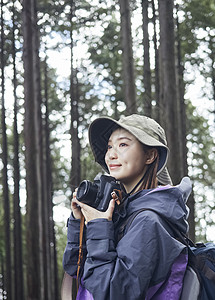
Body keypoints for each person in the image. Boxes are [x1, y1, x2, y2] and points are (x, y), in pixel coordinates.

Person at [63, 114, 192, 300]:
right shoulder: (120, 213)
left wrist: (99, 227)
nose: (111, 154)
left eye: (123, 144)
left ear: (150, 155)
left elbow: (112, 294)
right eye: (109, 146)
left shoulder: (149, 220)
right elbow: (75, 269)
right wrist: (79, 222)